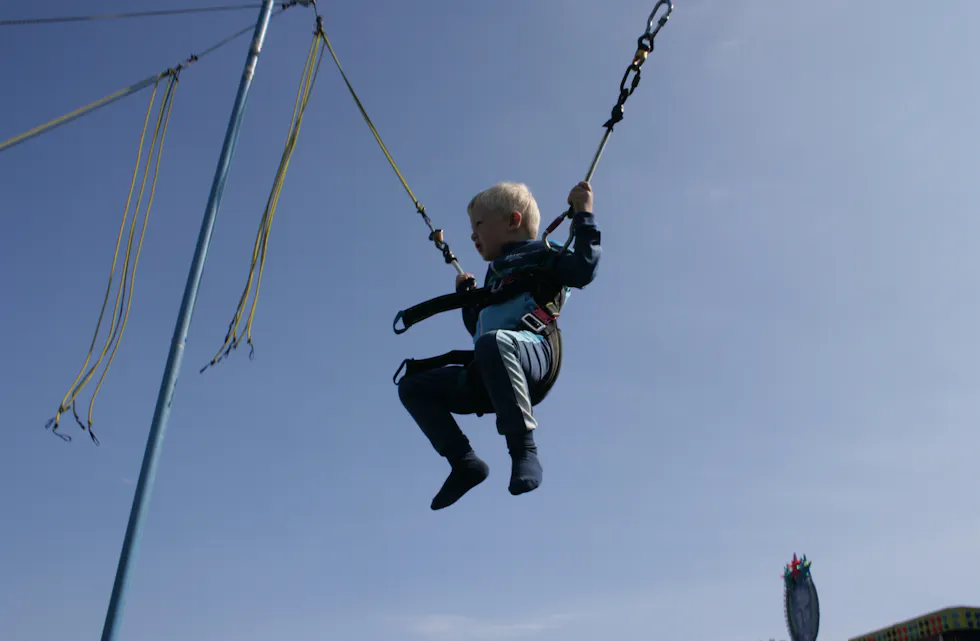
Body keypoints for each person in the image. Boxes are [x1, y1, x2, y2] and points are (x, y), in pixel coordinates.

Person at [397, 180, 601, 510]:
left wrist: (583, 215)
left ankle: (523, 451)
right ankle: (464, 463)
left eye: (479, 224)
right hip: (494, 368)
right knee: (412, 387)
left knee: (493, 344)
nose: (473, 235)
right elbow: (478, 329)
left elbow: (583, 269)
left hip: (534, 355)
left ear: (512, 221)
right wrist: (468, 298)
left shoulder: (545, 253)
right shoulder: (495, 275)